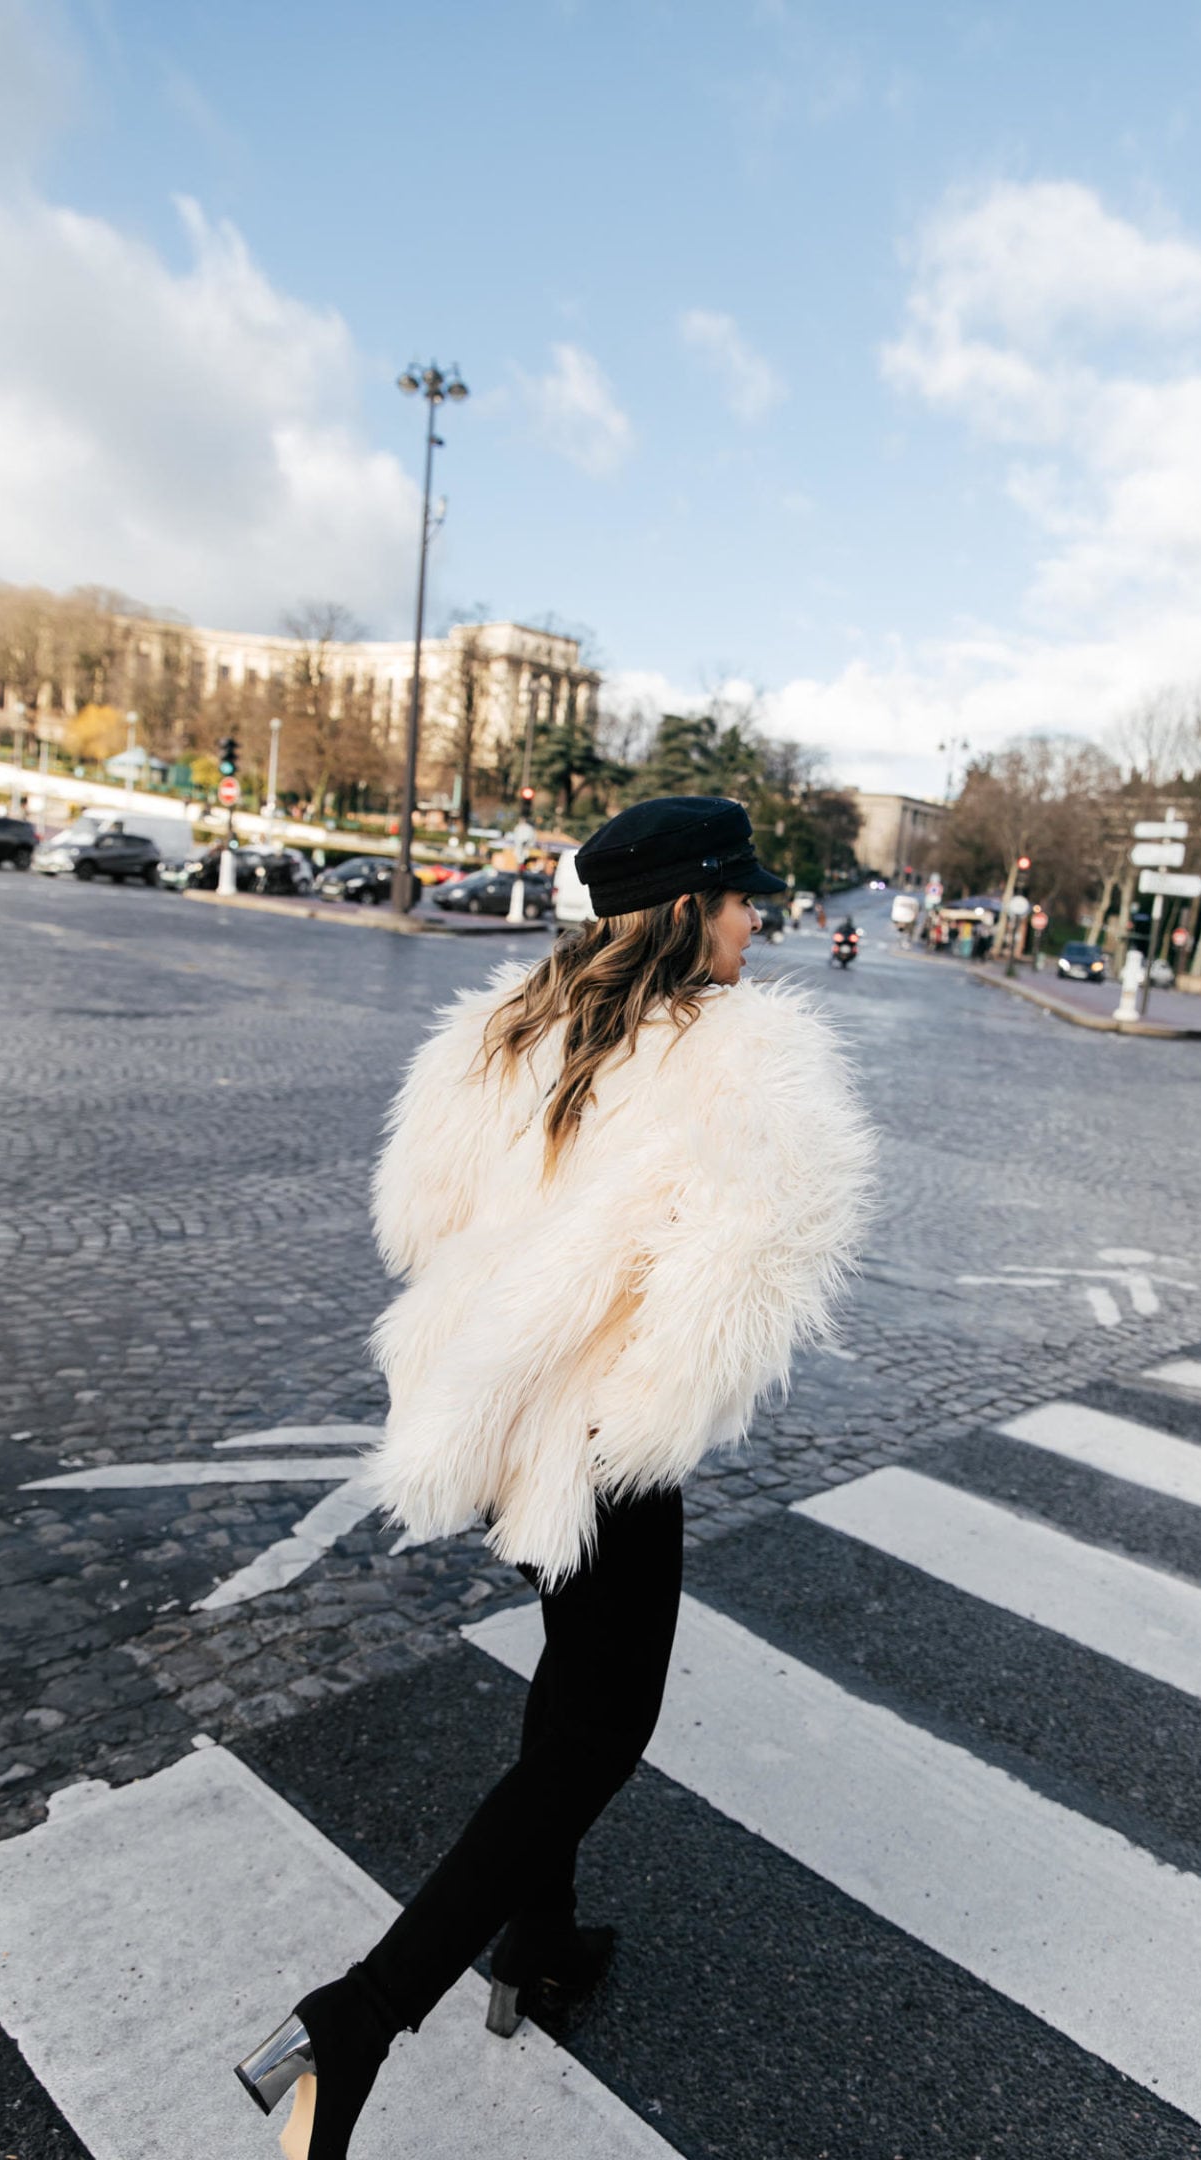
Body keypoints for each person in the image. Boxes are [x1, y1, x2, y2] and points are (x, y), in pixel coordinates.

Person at [233, 795, 876, 2160]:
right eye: (742, 898)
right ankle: (360, 2017)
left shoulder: (511, 1023)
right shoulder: (741, 1058)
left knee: (570, 1674)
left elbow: (417, 1217)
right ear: (688, 911)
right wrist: (640, 1417)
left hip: (492, 1420)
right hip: (596, 1447)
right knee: (602, 1729)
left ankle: (540, 1943)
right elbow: (746, 1265)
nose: (760, 920)